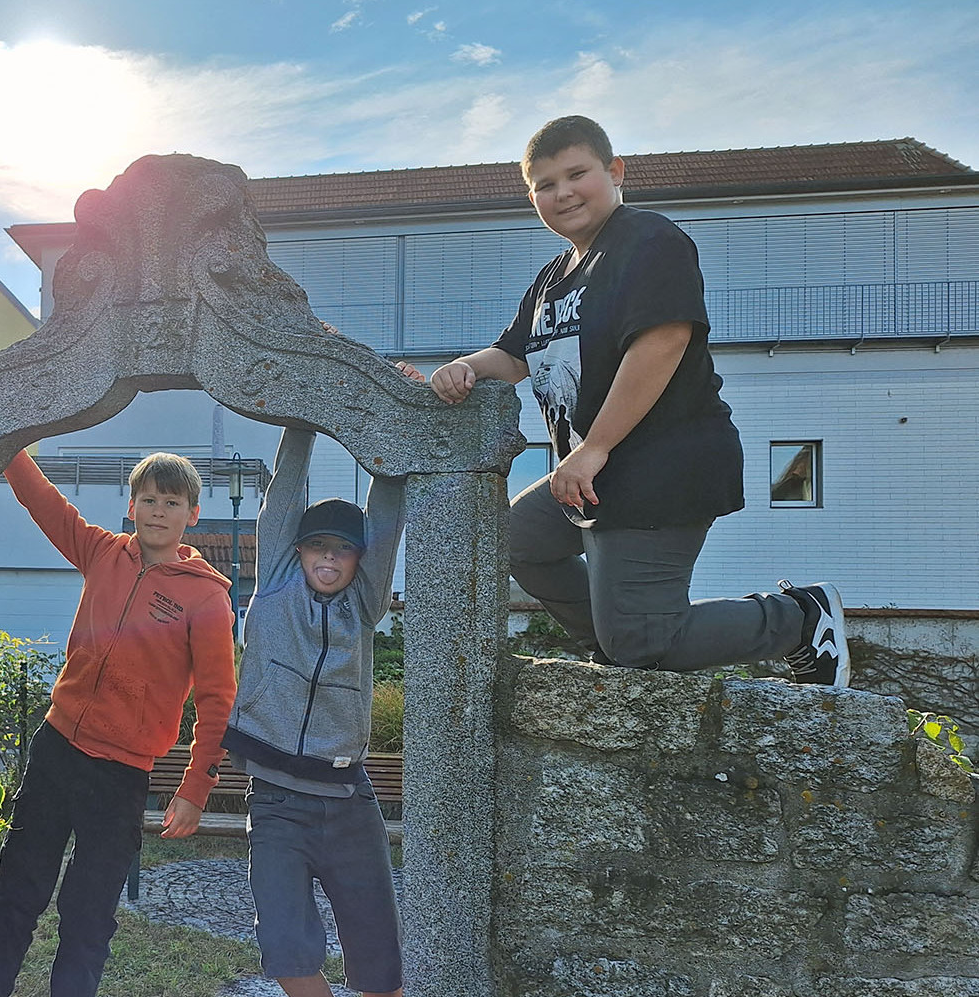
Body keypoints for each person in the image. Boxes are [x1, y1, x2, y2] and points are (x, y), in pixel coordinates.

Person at [427, 115, 848, 683]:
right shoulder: (555, 276)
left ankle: (797, 619)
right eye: (545, 185)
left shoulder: (650, 241)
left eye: (577, 174)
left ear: (615, 171)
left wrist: (594, 446)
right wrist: (461, 369)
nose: (563, 193)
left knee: (643, 640)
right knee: (516, 540)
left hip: (664, 468)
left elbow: (663, 340)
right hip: (595, 473)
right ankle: (618, 641)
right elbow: (514, 355)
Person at [0, 447, 237, 997]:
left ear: (192, 512)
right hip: (58, 749)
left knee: (88, 914)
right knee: (19, 890)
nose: (157, 510)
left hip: (121, 773)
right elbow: (46, 504)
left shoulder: (207, 598)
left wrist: (194, 788)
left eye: (171, 501)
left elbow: (217, 700)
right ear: (131, 505)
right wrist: (10, 445)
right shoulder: (101, 552)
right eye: (148, 499)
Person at [222, 428, 406, 997]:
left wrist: (392, 445)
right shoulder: (275, 583)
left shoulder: (363, 606)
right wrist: (300, 421)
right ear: (296, 550)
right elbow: (283, 497)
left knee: (380, 962)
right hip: (277, 807)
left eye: (344, 548)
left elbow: (386, 517)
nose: (330, 555)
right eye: (317, 544)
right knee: (285, 949)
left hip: (349, 804)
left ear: (359, 560)